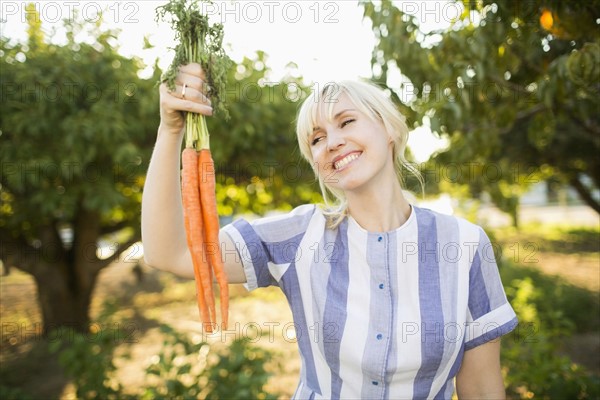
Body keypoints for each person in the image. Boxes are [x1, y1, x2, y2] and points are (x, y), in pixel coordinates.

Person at [142, 63, 518, 399]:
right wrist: (171, 129)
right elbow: (168, 252)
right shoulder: (299, 237)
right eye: (317, 138)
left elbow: (483, 389)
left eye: (347, 121)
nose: (332, 142)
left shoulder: (465, 245)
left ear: (388, 128)